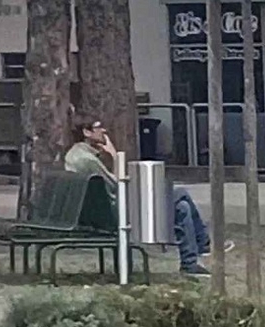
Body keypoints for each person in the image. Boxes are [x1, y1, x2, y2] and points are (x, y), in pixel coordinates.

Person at [65, 119, 209, 277]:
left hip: (103, 212)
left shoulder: (75, 155)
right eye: (99, 127)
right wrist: (114, 155)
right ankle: (203, 246)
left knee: (182, 207)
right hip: (115, 215)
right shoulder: (87, 160)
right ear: (86, 132)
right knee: (181, 193)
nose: (104, 131)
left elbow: (112, 184)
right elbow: (117, 185)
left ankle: (191, 263)